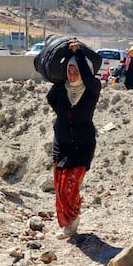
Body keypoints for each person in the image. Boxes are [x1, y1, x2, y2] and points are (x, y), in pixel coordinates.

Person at [46, 41, 101, 239]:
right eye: (69, 71)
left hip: (82, 145)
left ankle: (74, 216)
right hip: (61, 145)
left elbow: (87, 76)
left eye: (76, 70)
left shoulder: (92, 90)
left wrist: (78, 54)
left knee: (71, 187)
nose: (72, 74)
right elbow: (51, 100)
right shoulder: (60, 90)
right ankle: (67, 223)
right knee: (60, 189)